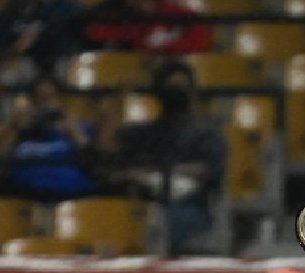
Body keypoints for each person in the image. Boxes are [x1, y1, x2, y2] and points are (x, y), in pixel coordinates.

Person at [102, 60, 227, 255]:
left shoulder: (206, 134)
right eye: (170, 87)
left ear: (191, 92)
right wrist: (120, 95)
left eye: (181, 87)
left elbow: (211, 170)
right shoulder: (142, 132)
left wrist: (159, 172)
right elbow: (108, 152)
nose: (175, 92)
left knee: (167, 220)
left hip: (186, 205)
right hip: (139, 202)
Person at [0, 75, 102, 201]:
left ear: (59, 100)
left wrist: (70, 128)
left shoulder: (78, 127)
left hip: (73, 192)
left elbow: (95, 160)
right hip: (25, 196)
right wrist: (17, 129)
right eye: (41, 99)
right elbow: (3, 160)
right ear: (32, 103)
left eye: (50, 98)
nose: (46, 104)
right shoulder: (19, 131)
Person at [83, 0, 212, 55]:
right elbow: (94, 32)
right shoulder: (121, 17)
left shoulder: (178, 14)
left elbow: (201, 39)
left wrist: (162, 51)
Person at [0, 0, 79, 75]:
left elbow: (72, 42)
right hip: (20, 63)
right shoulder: (11, 9)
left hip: (59, 62)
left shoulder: (67, 8)